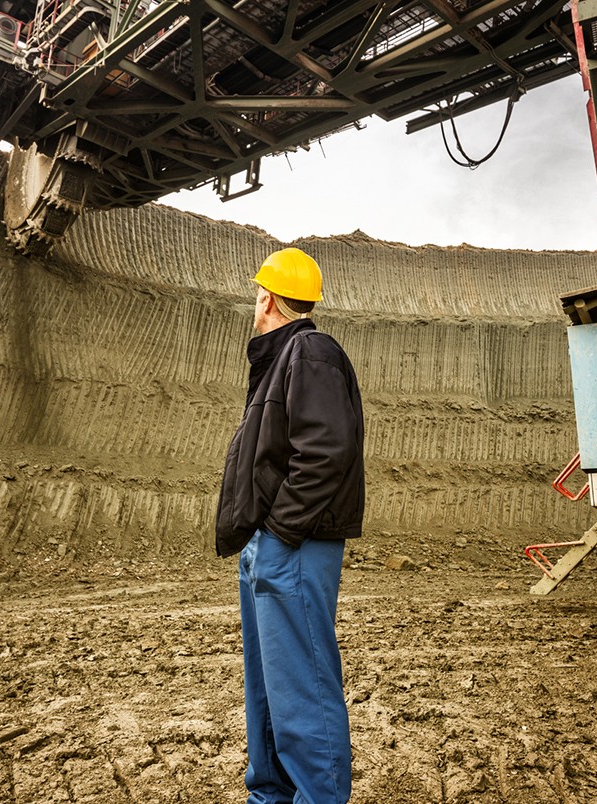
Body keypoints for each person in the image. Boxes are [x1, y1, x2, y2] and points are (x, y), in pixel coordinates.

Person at [216, 246, 365, 803]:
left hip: (295, 543)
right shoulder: (285, 357)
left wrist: (280, 531)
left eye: (258, 296)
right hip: (273, 542)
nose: (254, 306)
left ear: (269, 298)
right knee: (268, 691)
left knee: (300, 689)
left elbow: (327, 449)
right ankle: (269, 797)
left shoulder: (310, 349)